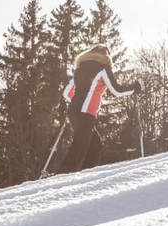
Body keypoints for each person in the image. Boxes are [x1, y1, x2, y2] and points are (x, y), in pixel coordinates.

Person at [59, 44, 140, 173]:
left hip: (74, 111)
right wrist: (133, 89)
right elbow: (117, 90)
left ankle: (86, 173)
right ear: (106, 55)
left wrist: (79, 100)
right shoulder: (103, 68)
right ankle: (63, 174)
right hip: (86, 113)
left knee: (94, 144)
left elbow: (67, 92)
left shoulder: (79, 69)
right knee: (80, 145)